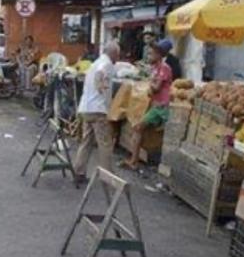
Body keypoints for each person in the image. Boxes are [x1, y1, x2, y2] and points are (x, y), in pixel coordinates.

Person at [122, 40, 175, 170]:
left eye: (151, 54)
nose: (148, 56)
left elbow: (156, 88)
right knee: (140, 128)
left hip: (161, 107)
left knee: (138, 128)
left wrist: (150, 82)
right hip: (156, 106)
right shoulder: (156, 68)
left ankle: (134, 161)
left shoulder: (164, 68)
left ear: (159, 55)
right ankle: (134, 160)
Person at [73, 41, 121, 183]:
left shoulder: (95, 63)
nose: (117, 58)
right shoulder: (106, 64)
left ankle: (79, 172)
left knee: (86, 142)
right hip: (98, 110)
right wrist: (100, 85)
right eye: (117, 55)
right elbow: (101, 73)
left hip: (86, 108)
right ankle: (108, 177)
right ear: (113, 53)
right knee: (105, 144)